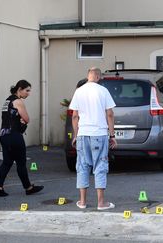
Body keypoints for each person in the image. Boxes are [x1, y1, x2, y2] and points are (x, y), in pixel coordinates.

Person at [69, 67, 117, 210]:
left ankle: (82, 202)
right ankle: (101, 203)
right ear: (98, 77)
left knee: (82, 166)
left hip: (83, 134)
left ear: (88, 76)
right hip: (99, 134)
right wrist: (112, 135)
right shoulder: (103, 91)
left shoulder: (79, 91)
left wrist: (76, 135)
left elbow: (74, 116)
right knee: (100, 166)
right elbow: (110, 114)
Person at [0, 80, 44, 197]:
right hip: (14, 136)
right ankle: (28, 188)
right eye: (27, 90)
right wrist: (22, 120)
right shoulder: (18, 101)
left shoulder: (8, 100)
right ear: (19, 89)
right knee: (21, 163)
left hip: (3, 135)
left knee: (7, 162)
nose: (28, 93)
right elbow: (26, 119)